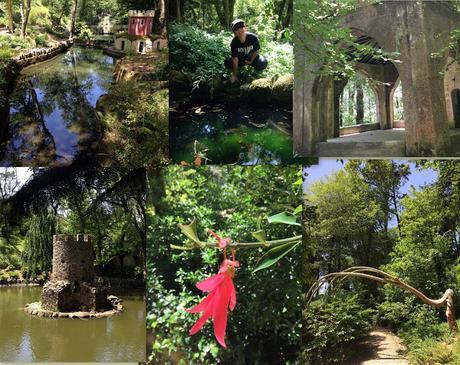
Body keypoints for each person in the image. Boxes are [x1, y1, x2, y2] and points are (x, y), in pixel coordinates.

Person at [224, 19, 268, 83]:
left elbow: (256, 51)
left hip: (251, 57)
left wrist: (251, 61)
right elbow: (235, 59)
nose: (239, 30)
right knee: (227, 62)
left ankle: (251, 65)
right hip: (241, 59)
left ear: (245, 28)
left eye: (241, 27)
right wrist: (234, 75)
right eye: (236, 29)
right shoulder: (234, 43)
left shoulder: (253, 38)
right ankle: (240, 67)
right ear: (234, 33)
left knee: (263, 63)